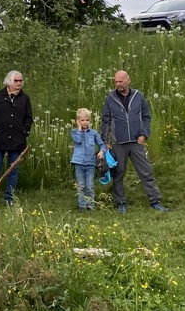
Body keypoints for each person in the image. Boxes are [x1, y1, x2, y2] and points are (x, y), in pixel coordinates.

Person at [100, 70, 168, 213]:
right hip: (118, 142)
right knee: (118, 173)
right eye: (116, 81)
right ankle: (121, 203)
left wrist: (144, 134)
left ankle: (155, 201)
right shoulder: (110, 98)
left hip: (137, 141)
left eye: (121, 81)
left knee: (146, 171)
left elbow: (146, 117)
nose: (118, 84)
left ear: (128, 80)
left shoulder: (139, 96)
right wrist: (105, 141)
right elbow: (105, 121)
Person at [0, 70, 32, 206]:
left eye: (21, 81)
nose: (19, 83)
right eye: (16, 80)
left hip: (17, 140)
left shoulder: (25, 98)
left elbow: (29, 117)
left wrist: (25, 131)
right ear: (9, 81)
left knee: (13, 170)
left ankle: (9, 199)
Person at [70, 108, 106, 211]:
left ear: (90, 121)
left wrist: (101, 152)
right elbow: (78, 140)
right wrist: (79, 129)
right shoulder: (74, 132)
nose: (85, 122)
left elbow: (102, 145)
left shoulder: (93, 133)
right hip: (79, 162)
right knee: (81, 185)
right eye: (82, 120)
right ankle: (82, 205)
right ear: (78, 121)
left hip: (90, 163)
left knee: (89, 185)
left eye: (87, 120)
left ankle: (91, 205)